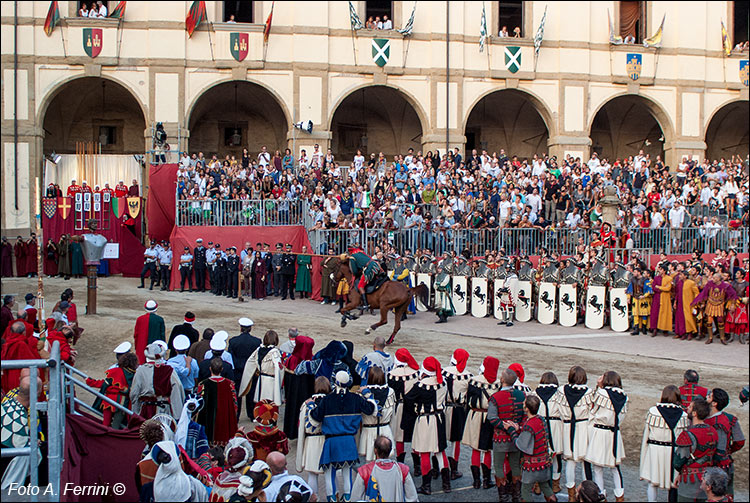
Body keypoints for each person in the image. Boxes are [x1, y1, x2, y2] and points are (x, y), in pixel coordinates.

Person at [311, 370, 376, 501]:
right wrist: (367, 394)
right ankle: (347, 498)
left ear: (335, 382)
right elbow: (371, 409)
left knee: (329, 473)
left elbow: (315, 418)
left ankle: (331, 498)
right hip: (348, 440)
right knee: (347, 472)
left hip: (331, 441)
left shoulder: (327, 400)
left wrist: (311, 405)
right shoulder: (356, 398)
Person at [402, 356, 450, 495]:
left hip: (425, 420)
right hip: (440, 419)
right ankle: (446, 484)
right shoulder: (443, 382)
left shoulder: (420, 386)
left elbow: (408, 399)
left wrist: (414, 411)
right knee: (440, 452)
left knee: (424, 453)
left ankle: (426, 486)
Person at [639, 384, 689, 502]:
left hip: (655, 450)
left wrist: (645, 451)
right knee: (673, 482)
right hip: (674, 452)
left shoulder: (653, 411)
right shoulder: (683, 415)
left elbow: (647, 433)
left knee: (652, 482)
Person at [552, 365, 595, 502]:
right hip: (582, 428)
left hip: (567, 427)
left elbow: (558, 409)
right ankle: (586, 493)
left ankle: (572, 495)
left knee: (570, 462)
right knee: (584, 461)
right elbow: (591, 412)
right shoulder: (589, 392)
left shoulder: (561, 391)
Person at [503, 394, 556, 503]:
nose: (522, 404)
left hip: (532, 466)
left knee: (525, 491)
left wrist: (511, 430)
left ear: (527, 408)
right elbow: (534, 433)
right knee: (546, 487)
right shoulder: (541, 419)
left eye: (524, 403)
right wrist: (520, 429)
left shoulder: (529, 424)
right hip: (544, 463)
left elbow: (520, 444)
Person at [585, 371, 628, 502]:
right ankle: (619, 497)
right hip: (615, 432)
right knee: (615, 467)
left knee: (598, 467)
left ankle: (601, 497)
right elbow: (622, 416)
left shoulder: (601, 393)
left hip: (600, 431)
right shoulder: (624, 395)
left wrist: (598, 386)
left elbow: (592, 409)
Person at [487, 367, 527, 502]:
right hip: (516, 437)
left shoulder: (495, 397)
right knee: (515, 465)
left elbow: (492, 418)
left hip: (500, 438)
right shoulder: (522, 395)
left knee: (498, 466)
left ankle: (503, 497)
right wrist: (518, 427)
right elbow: (525, 416)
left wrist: (504, 425)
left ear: (502, 380)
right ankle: (516, 495)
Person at [462, 355, 500, 490]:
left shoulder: (473, 381)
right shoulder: (498, 384)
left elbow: (467, 398)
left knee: (475, 450)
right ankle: (486, 480)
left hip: (475, 415)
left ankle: (476, 481)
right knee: (487, 450)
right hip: (490, 417)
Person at [673, 397, 718, 502]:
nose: (687, 408)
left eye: (690, 407)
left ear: (694, 413)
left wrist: (679, 472)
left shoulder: (688, 435)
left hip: (689, 481)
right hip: (707, 479)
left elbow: (678, 462)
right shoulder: (713, 431)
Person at [704, 388, 745, 499]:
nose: (707, 396)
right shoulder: (731, 419)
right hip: (726, 463)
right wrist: (729, 451)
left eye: (710, 395)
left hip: (712, 465)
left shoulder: (702, 418)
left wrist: (728, 451)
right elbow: (740, 441)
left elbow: (740, 441)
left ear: (714, 403)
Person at [350, 436, 419, 502]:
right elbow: (412, 497)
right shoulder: (402, 470)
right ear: (390, 450)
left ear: (375, 450)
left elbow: (356, 498)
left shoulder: (365, 471)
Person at [130, 343, 185, 420]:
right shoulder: (169, 370)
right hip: (163, 411)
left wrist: (135, 410)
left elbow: (134, 393)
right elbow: (177, 389)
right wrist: (177, 414)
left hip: (146, 410)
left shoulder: (140, 371)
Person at [387, 348, 420, 473]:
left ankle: (400, 464)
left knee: (399, 436)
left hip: (398, 406)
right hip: (413, 407)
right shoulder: (416, 373)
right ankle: (417, 466)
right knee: (415, 435)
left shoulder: (391, 374)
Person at [296, 376, 330, 496]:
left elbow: (301, 428)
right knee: (330, 473)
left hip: (311, 441)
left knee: (312, 475)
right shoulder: (331, 403)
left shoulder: (306, 404)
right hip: (327, 440)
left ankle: (313, 498)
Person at [86, 352, 139, 429]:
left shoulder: (115, 371)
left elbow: (104, 384)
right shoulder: (135, 374)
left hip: (109, 400)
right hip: (122, 402)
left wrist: (90, 381)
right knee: (116, 426)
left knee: (105, 424)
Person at [441, 348, 471, 481]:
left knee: (439, 439)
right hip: (459, 410)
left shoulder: (443, 371)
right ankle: (453, 470)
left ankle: (438, 468)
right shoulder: (468, 376)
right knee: (456, 441)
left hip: (443, 408)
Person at [195, 357, 238, 445]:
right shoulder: (230, 384)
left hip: (208, 419)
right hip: (225, 416)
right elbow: (235, 404)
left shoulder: (203, 384)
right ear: (222, 369)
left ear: (210, 368)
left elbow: (198, 404)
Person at [534, 371, 563, 494]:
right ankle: (555, 484)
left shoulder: (535, 393)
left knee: (539, 456)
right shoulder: (559, 394)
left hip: (540, 425)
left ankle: (538, 485)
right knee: (556, 457)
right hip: (555, 426)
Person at [359, 367, 396, 462]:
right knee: (385, 464)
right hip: (385, 429)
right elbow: (393, 414)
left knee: (370, 465)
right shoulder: (391, 392)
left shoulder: (362, 394)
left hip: (369, 430)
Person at [239, 330, 283, 411]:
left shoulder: (258, 350)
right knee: (270, 406)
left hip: (261, 379)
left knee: (261, 404)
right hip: (271, 382)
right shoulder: (274, 352)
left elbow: (250, 362)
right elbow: (278, 368)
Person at [282, 335, 315, 440]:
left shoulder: (291, 360)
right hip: (308, 392)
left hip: (292, 392)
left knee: (292, 411)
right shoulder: (313, 361)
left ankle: (290, 432)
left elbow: (286, 378)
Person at [691, 271, 738, 345]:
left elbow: (733, 294)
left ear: (719, 279)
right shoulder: (709, 284)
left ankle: (722, 338)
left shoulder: (725, 285)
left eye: (715, 278)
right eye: (713, 277)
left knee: (720, 320)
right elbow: (704, 293)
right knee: (709, 321)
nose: (713, 279)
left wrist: (732, 304)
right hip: (710, 303)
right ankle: (710, 338)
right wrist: (702, 302)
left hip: (719, 304)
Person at [228, 318, 261, 419]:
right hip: (251, 371)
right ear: (250, 329)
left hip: (238, 370)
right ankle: (252, 415)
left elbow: (231, 357)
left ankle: (236, 416)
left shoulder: (233, 341)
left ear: (241, 329)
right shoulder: (256, 341)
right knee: (251, 393)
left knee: (237, 394)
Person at [133, 300, 166, 364]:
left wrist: (137, 348)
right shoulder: (160, 319)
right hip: (155, 349)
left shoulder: (140, 319)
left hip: (142, 347)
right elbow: (162, 336)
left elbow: (136, 335)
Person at [650, 263, 674, 337]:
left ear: (664, 271)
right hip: (657, 297)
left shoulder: (669, 278)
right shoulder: (657, 278)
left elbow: (668, 288)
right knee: (655, 313)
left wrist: (659, 287)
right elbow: (653, 287)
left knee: (665, 313)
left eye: (660, 269)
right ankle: (654, 329)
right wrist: (661, 288)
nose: (659, 270)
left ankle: (665, 329)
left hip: (665, 297)